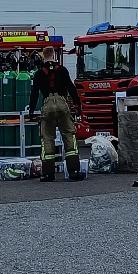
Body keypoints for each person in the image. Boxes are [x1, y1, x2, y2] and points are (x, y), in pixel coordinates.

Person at [27, 46, 83, 182]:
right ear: (53, 55)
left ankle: (48, 174)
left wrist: (31, 111)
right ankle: (74, 171)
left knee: (47, 138)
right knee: (69, 135)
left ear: (43, 56)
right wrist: (78, 105)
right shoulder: (62, 70)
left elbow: (34, 93)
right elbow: (71, 87)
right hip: (62, 104)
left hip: (47, 105)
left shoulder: (39, 73)